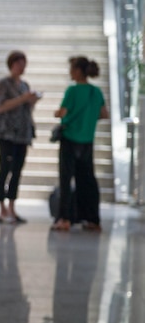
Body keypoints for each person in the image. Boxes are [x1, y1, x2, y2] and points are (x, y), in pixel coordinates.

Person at [51, 56, 109, 232]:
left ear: (77, 71)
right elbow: (104, 114)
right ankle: (92, 219)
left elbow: (62, 112)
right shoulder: (96, 92)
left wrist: (58, 113)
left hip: (70, 139)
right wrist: (88, 119)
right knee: (88, 180)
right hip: (87, 140)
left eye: (71, 69)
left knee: (66, 179)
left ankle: (64, 219)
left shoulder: (73, 90)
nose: (70, 72)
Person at [0, 51, 41, 224]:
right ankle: (2, 208)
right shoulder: (3, 84)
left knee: (17, 171)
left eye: (24, 64)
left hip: (23, 134)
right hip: (7, 133)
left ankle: (12, 206)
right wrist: (21, 99)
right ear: (12, 64)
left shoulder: (25, 85)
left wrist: (31, 101)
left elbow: (26, 108)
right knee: (5, 169)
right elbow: (0, 107)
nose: (22, 67)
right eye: (19, 64)